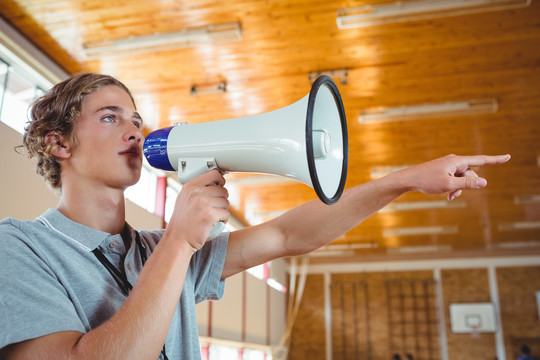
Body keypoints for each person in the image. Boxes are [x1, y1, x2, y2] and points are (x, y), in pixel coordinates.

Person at [0, 72, 511, 359]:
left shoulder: (159, 252)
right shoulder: (19, 248)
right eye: (110, 117)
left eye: (137, 119)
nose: (133, 130)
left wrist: (402, 179)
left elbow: (289, 234)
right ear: (58, 142)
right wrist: (181, 239)